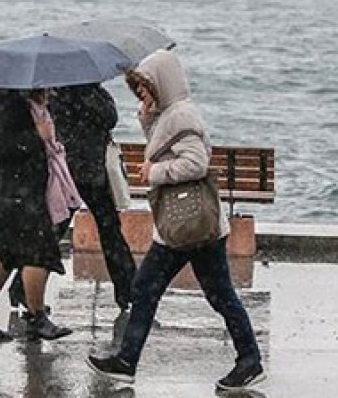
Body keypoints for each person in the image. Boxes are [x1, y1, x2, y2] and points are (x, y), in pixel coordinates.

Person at [85, 50, 265, 391]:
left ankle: (128, 362)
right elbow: (166, 143)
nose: (140, 93)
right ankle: (247, 359)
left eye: (145, 86)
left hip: (188, 225)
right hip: (187, 226)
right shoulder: (170, 113)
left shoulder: (182, 116)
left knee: (159, 289)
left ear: (162, 84)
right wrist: (147, 117)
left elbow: (196, 164)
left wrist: (156, 172)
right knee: (205, 293)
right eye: (136, 88)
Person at [0, 87, 77, 342]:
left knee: (3, 256)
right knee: (38, 254)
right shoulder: (6, 100)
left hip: (13, 192)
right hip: (9, 193)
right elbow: (1, 146)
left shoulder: (25, 100)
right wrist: (37, 135)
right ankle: (37, 317)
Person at [46, 83, 136, 311]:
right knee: (110, 231)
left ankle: (22, 288)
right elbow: (110, 118)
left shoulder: (55, 92)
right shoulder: (91, 92)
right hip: (91, 171)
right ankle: (128, 290)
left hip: (68, 169)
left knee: (55, 230)